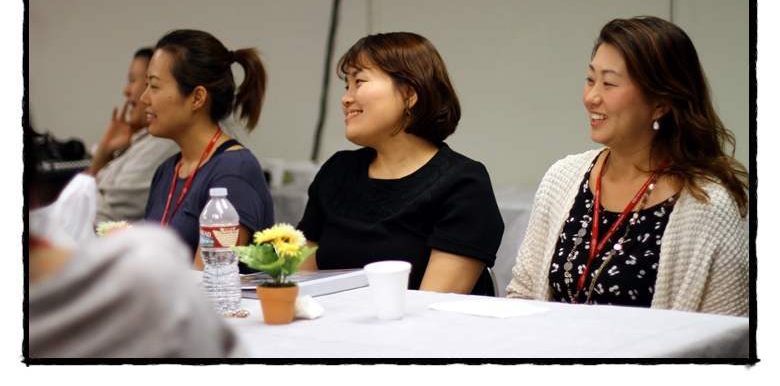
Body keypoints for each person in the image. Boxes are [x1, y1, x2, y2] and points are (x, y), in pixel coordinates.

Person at [507, 16, 749, 317]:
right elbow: (523, 294)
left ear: (661, 104)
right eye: (590, 79)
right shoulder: (562, 178)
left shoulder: (707, 205)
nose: (591, 97)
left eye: (609, 84)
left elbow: (726, 332)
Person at [297, 32, 504, 295]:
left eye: (359, 81)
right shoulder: (337, 171)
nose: (346, 98)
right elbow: (302, 284)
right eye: (346, 86)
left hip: (418, 322)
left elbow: (431, 305)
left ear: (409, 94)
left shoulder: (462, 182)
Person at [26, 128, 246, 358]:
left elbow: (106, 204)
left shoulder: (232, 168)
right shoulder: (165, 171)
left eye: (153, 90)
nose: (142, 104)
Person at [142, 30, 274, 269]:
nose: (144, 98)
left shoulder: (235, 172)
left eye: (154, 86)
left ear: (197, 98)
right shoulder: (166, 171)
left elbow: (210, 278)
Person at [86, 47, 179, 226]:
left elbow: (107, 215)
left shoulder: (164, 141)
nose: (126, 90)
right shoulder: (140, 137)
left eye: (132, 80)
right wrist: (104, 152)